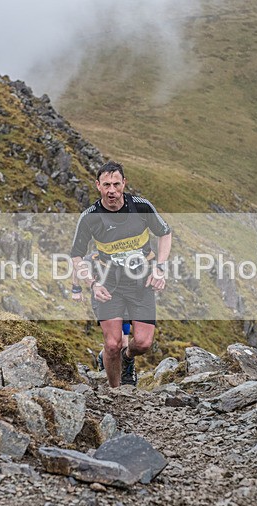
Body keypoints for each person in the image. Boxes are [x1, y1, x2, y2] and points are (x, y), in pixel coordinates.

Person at [71, 161, 172, 387]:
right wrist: (92, 283)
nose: (112, 191)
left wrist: (160, 268)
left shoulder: (142, 207)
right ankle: (117, 393)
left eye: (116, 184)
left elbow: (165, 233)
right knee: (113, 344)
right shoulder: (90, 217)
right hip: (108, 284)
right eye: (106, 185)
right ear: (98, 185)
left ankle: (127, 359)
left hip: (141, 282)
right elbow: (77, 256)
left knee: (144, 343)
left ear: (124, 183)